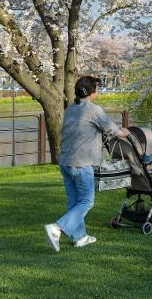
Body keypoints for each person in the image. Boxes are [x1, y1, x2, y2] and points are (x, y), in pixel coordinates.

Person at [45, 76, 129, 252]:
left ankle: (80, 237)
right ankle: (57, 228)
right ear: (91, 92)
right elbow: (110, 128)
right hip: (81, 163)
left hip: (65, 162)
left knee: (74, 202)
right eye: (96, 89)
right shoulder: (93, 110)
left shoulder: (70, 109)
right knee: (86, 201)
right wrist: (123, 133)